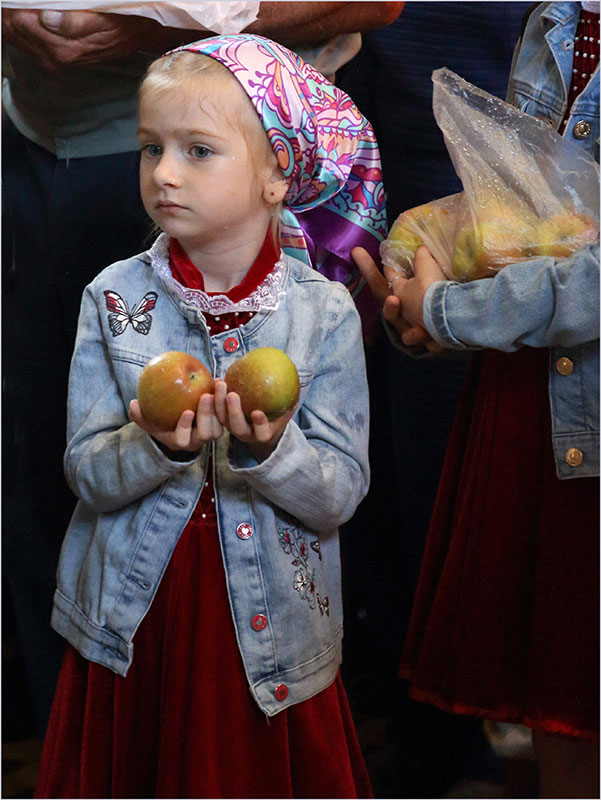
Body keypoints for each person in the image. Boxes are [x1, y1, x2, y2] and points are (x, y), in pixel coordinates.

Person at [1, 1, 403, 741]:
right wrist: (155, 444)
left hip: (268, 634)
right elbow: (85, 473)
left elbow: (338, 493)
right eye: (151, 148)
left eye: (198, 151)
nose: (164, 174)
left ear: (278, 174)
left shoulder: (322, 317)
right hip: (136, 629)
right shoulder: (114, 299)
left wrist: (268, 450)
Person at [353, 2, 600, 796]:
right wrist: (419, 251)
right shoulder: (559, 19)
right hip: (544, 390)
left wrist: (448, 313)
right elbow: (531, 210)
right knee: (562, 707)